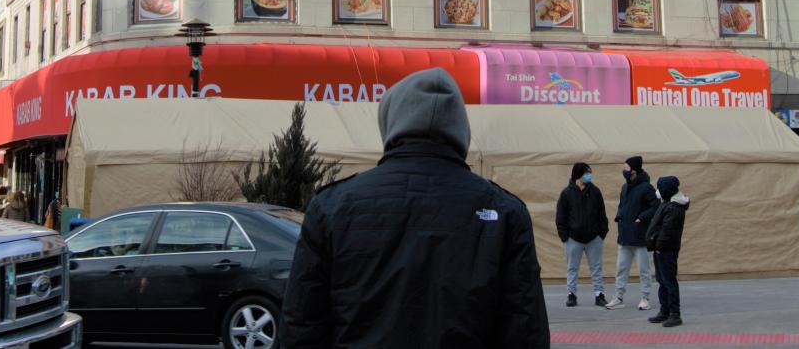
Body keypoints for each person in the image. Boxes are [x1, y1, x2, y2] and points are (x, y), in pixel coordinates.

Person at [281, 68, 549, 348]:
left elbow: (301, 326)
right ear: (460, 128)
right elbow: (526, 331)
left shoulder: (333, 206)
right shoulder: (504, 211)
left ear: (389, 122)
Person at [607, 155, 659, 311]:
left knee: (644, 270)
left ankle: (645, 298)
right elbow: (622, 205)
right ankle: (618, 297)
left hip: (640, 237)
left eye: (626, 168)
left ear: (634, 170)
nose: (624, 170)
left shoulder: (646, 187)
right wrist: (619, 217)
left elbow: (656, 206)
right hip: (624, 236)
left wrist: (641, 218)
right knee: (621, 268)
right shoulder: (624, 187)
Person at [556, 161, 609, 307]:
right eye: (586, 173)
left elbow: (602, 214)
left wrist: (601, 233)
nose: (589, 175)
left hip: (594, 238)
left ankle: (599, 294)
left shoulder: (595, 191)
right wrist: (564, 236)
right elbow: (561, 216)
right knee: (572, 268)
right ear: (578, 175)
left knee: (596, 267)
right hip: (573, 238)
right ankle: (571, 294)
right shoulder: (566, 193)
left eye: (589, 173)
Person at [644, 174, 688, 328]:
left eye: (660, 188)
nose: (658, 191)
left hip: (666, 251)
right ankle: (664, 311)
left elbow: (667, 231)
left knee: (669, 282)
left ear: (667, 190)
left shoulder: (674, 208)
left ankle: (675, 314)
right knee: (662, 281)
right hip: (660, 250)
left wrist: (658, 246)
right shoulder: (667, 203)